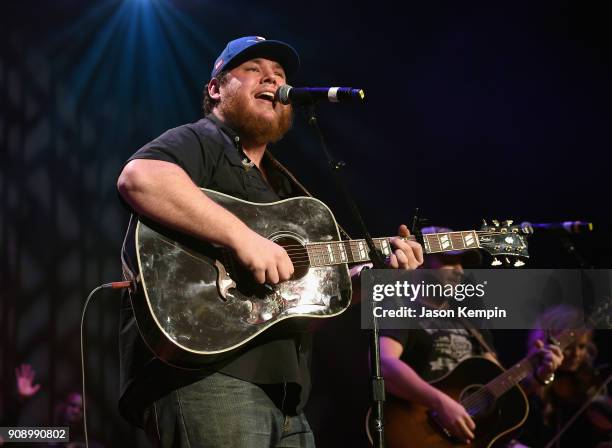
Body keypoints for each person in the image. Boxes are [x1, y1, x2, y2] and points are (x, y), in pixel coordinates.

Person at [116, 35, 423, 448]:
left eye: (279, 74)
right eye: (253, 69)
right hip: (208, 376)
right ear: (215, 89)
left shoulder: (283, 187)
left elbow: (316, 293)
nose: (272, 78)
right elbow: (141, 178)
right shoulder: (204, 140)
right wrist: (242, 238)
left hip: (286, 394)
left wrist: (377, 272)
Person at [379, 226, 564, 445]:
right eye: (450, 260)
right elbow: (384, 364)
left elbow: (499, 391)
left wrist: (538, 375)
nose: (460, 271)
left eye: (463, 263)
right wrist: (440, 403)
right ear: (422, 259)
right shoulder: (400, 305)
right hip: (412, 431)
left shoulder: (471, 322)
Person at [511, 305, 612, 448]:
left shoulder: (593, 380)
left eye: (582, 346)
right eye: (569, 347)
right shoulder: (529, 383)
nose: (576, 354)